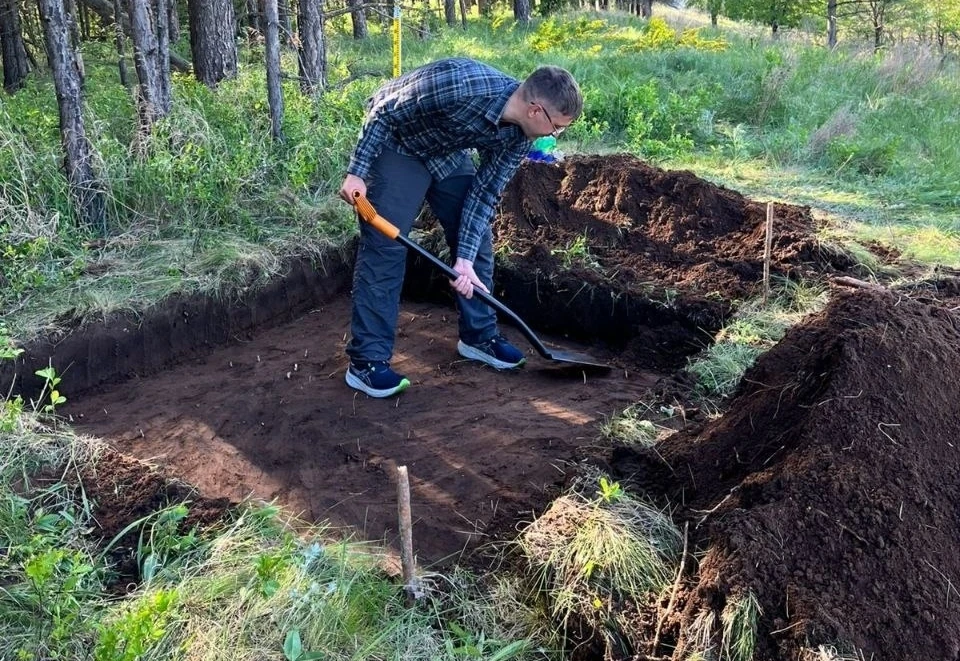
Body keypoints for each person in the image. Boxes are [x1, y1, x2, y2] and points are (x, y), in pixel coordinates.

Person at [339, 57, 582, 398]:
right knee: (386, 247)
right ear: (535, 110)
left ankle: (479, 336)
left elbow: (484, 193)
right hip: (398, 144)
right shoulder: (462, 84)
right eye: (557, 126)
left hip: (444, 151)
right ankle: (366, 362)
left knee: (475, 238)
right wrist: (357, 171)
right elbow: (383, 111)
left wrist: (464, 260)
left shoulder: (520, 137)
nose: (556, 135)